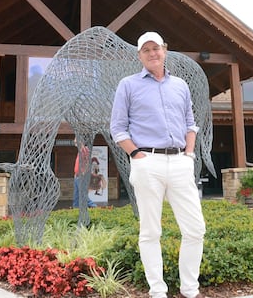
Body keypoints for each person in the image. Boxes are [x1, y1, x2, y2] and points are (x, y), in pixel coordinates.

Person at [110, 31, 205, 298]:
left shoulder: (181, 86)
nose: (153, 53)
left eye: (157, 48)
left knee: (196, 229)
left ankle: (190, 288)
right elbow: (117, 128)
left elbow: (190, 122)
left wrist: (189, 154)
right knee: (151, 230)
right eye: (146, 50)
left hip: (180, 163)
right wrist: (137, 155)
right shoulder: (127, 85)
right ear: (140, 55)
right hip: (147, 162)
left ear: (165, 50)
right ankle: (157, 290)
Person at [73, 141, 96, 208]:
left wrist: (84, 172)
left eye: (76, 142)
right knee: (77, 194)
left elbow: (88, 162)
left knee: (82, 193)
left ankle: (93, 206)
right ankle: (75, 207)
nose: (75, 144)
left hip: (80, 176)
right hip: (77, 175)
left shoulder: (84, 150)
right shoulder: (80, 151)